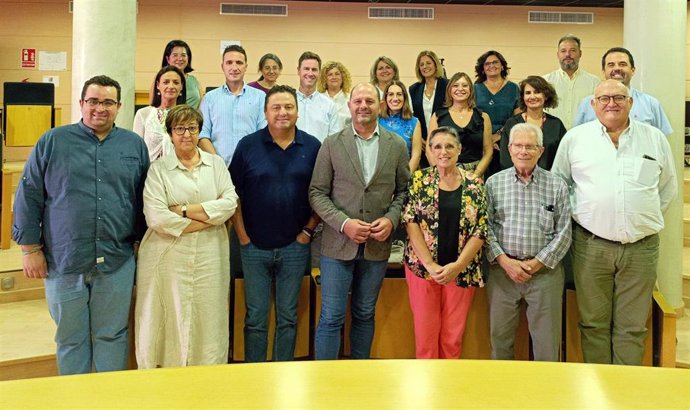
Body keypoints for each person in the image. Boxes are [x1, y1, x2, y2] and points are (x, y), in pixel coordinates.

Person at [12, 75, 149, 375]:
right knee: (70, 339)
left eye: (108, 102)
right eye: (94, 101)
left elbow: (143, 200)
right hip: (64, 260)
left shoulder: (134, 145)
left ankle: (106, 400)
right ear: (81, 103)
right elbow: (28, 194)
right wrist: (29, 248)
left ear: (119, 106)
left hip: (117, 260)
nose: (100, 108)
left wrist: (142, 246)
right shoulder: (53, 141)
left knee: (112, 335)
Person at [552, 79, 677, 365]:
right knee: (593, 324)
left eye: (619, 97)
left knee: (632, 327)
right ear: (593, 105)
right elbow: (560, 185)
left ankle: (624, 394)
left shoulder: (653, 138)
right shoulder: (575, 138)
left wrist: (641, 215)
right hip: (590, 246)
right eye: (604, 98)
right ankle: (599, 391)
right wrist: (583, 212)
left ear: (630, 103)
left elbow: (668, 186)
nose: (612, 103)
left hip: (641, 249)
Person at [309, 83, 410, 360]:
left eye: (369, 101)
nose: (363, 106)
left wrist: (391, 219)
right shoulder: (332, 143)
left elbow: (404, 191)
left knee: (365, 313)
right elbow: (317, 192)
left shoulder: (397, 145)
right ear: (349, 105)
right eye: (358, 101)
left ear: (379, 105)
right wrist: (344, 223)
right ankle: (325, 378)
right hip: (337, 245)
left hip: (377, 246)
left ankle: (360, 374)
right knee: (331, 316)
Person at [135, 105, 238, 368]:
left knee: (208, 313)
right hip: (168, 255)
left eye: (192, 128)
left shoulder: (215, 164)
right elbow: (156, 217)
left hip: (209, 253)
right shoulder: (158, 169)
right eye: (179, 128)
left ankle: (206, 374)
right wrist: (207, 219)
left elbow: (230, 203)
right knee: (166, 315)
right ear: (170, 133)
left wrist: (183, 210)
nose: (186, 134)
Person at [229, 85, 321, 362]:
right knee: (255, 318)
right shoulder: (248, 145)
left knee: (288, 317)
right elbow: (233, 194)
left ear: (297, 111)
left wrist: (307, 232)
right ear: (266, 112)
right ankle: (255, 375)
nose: (283, 112)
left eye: (288, 107)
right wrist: (243, 237)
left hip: (296, 246)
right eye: (276, 107)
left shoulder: (313, 146)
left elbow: (322, 194)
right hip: (253, 247)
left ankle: (283, 375)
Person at [486, 123, 571, 362]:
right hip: (502, 274)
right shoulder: (493, 184)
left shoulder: (557, 185)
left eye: (530, 146)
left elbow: (564, 233)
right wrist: (505, 262)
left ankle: (545, 395)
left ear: (540, 151)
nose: (524, 151)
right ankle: (505, 397)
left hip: (544, 276)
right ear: (509, 149)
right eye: (518, 146)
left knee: (547, 345)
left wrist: (536, 264)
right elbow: (485, 228)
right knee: (499, 341)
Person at [402, 126, 487, 359]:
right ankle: (426, 392)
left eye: (449, 146)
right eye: (437, 146)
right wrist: (429, 264)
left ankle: (448, 390)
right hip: (422, 270)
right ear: (429, 151)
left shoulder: (475, 184)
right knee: (425, 338)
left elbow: (481, 228)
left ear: (459, 150)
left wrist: (458, 266)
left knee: (452, 339)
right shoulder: (418, 181)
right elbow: (410, 221)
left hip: (461, 271)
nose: (443, 151)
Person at [573, 47, 672, 135]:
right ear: (603, 71)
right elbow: (577, 138)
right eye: (611, 65)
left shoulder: (651, 104)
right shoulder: (587, 104)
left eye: (622, 64)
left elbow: (662, 140)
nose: (617, 68)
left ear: (633, 70)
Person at [199, 44, 267, 165]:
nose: (234, 67)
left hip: (251, 167)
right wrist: (217, 163)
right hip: (217, 168)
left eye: (239, 63)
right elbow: (203, 135)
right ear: (222, 66)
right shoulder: (209, 98)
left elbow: (264, 134)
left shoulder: (260, 97)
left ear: (246, 67)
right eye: (229, 62)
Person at [428, 72, 492, 177]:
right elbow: (429, 149)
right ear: (449, 90)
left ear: (470, 90)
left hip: (475, 173)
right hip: (444, 172)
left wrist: (476, 174)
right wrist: (441, 171)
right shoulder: (438, 116)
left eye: (465, 85)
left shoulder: (483, 117)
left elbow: (488, 151)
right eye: (456, 85)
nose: (460, 89)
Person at [499, 76, 566, 171]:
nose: (532, 96)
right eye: (528, 93)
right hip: (515, 180)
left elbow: (562, 158)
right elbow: (505, 158)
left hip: (548, 180)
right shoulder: (512, 123)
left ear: (546, 96)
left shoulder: (556, 124)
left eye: (537, 92)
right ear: (523, 97)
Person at [474, 50, 520, 176]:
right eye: (487, 64)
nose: (491, 66)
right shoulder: (475, 89)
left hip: (506, 142)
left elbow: (517, 118)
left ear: (502, 66)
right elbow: (472, 117)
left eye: (495, 62)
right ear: (482, 69)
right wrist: (488, 140)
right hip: (480, 143)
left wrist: (499, 136)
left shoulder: (513, 88)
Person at [543, 34, 601, 130]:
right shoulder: (546, 81)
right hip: (553, 137)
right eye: (563, 51)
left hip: (584, 136)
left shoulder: (594, 82)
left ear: (580, 53)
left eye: (572, 50)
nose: (567, 55)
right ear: (558, 55)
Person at [134, 65, 186, 161]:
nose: (171, 86)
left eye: (176, 82)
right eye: (166, 82)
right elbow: (136, 149)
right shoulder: (143, 114)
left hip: (178, 171)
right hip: (149, 172)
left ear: (181, 86)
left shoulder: (187, 116)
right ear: (158, 85)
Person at [295, 51, 344, 142]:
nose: (310, 73)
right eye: (306, 69)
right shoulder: (288, 103)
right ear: (298, 71)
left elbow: (334, 141)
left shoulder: (329, 105)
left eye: (314, 70)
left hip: (320, 156)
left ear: (319, 73)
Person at [379, 80, 423, 171]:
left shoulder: (414, 122)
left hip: (405, 174)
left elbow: (416, 155)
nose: (395, 98)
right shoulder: (377, 120)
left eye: (399, 94)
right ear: (385, 98)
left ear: (405, 97)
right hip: (380, 175)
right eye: (391, 94)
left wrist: (406, 178)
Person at [409, 50, 448, 145]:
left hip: (445, 140)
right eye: (421, 64)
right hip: (422, 142)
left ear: (436, 65)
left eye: (428, 63)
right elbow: (411, 117)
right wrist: (418, 137)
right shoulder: (413, 89)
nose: (425, 67)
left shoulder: (448, 86)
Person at [154, 40, 202, 109]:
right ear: (167, 59)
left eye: (183, 55)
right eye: (175, 55)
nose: (180, 59)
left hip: (192, 118)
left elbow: (201, 105)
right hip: (169, 118)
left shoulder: (194, 80)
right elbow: (154, 104)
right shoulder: (160, 78)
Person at [317, 60, 352, 126]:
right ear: (324, 79)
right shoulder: (318, 99)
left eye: (337, 74)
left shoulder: (351, 99)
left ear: (343, 77)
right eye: (330, 75)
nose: (334, 77)